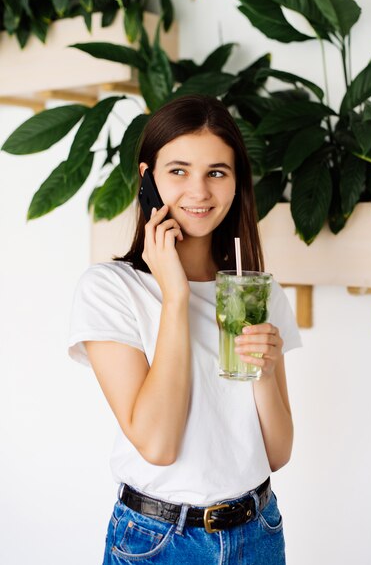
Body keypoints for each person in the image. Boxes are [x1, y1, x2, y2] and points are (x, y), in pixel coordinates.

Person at [68, 94, 302, 564]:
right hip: (158, 542)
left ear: (237, 184)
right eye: (178, 171)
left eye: (217, 172)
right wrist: (175, 296)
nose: (199, 192)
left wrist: (265, 369)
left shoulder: (256, 292)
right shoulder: (109, 289)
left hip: (258, 532)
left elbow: (276, 453)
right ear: (147, 179)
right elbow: (158, 443)